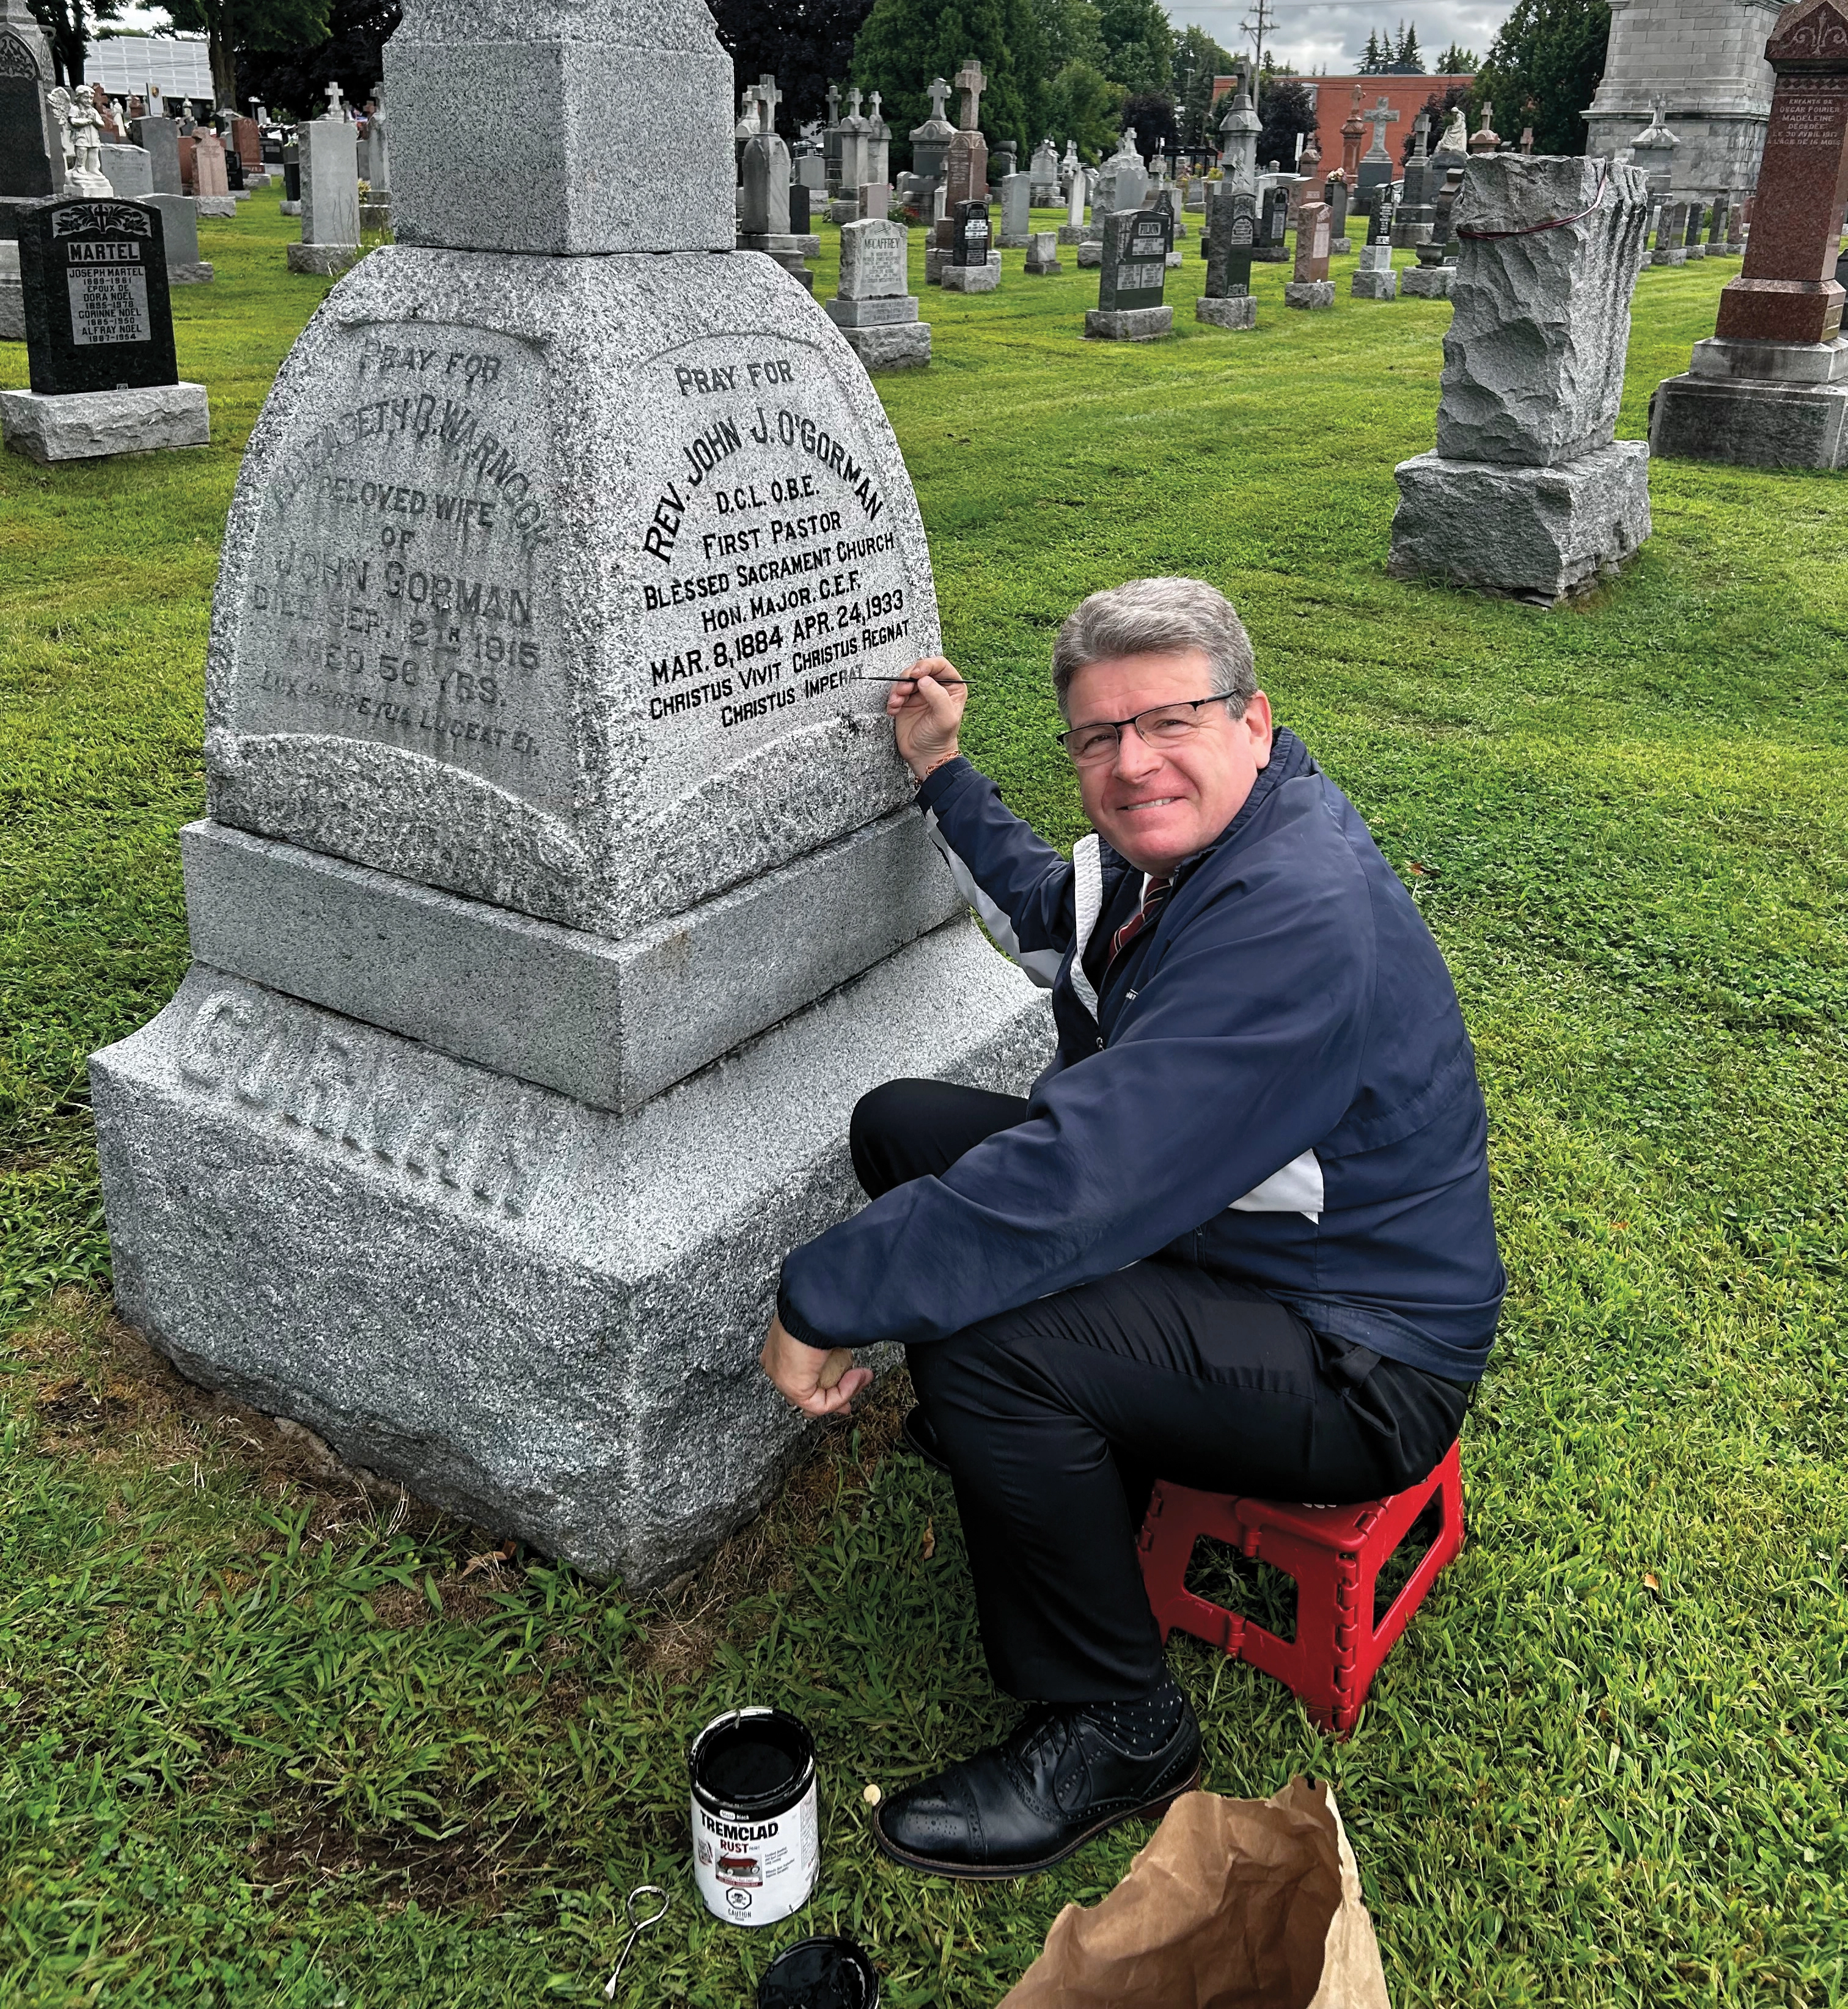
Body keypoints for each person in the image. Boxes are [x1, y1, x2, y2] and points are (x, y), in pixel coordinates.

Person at [759, 577, 1505, 1879]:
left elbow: (1086, 1180)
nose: (1132, 761)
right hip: (1236, 1249)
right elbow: (1060, 912)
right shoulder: (1177, 854)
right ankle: (1070, 1466)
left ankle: (1118, 1721)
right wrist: (939, 769)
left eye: (1170, 719)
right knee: (906, 1124)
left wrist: (820, 1295)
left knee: (992, 1341)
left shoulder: (1295, 915)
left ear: (1257, 722)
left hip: (1358, 1354)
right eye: (1099, 735)